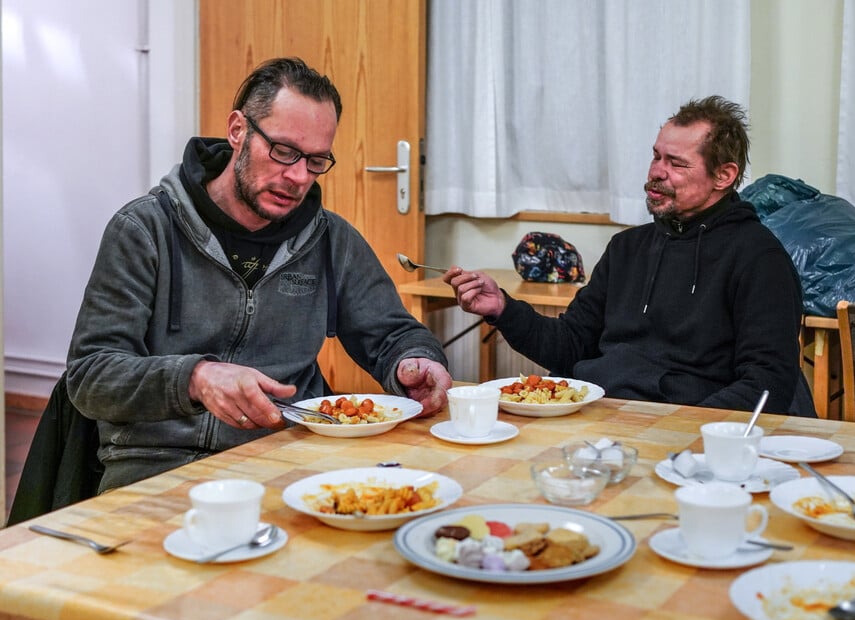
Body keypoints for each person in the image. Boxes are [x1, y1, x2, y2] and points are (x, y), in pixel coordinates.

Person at [66, 57, 451, 492]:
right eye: (284, 151)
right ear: (238, 131)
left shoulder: (330, 240)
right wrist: (195, 378)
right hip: (155, 463)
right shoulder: (144, 230)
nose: (298, 176)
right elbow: (91, 375)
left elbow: (392, 334)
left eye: (316, 160)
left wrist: (416, 362)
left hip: (286, 455)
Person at [445, 96, 813, 416]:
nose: (656, 172)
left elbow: (768, 385)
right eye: (656, 156)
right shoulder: (627, 248)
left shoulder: (759, 258)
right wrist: (504, 310)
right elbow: (570, 347)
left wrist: (679, 430)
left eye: (676, 163)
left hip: (688, 432)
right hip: (604, 418)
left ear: (724, 176)